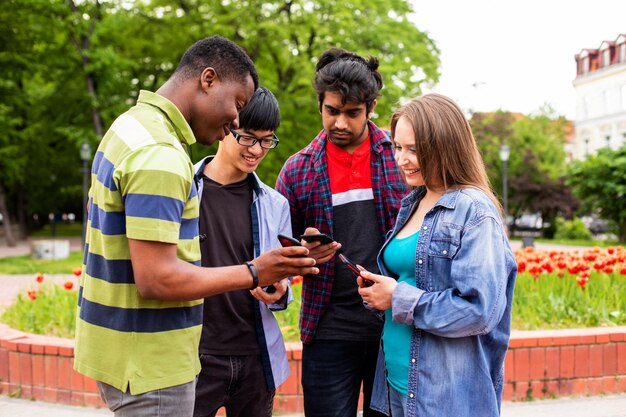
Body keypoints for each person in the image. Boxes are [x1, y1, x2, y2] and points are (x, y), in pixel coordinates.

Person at [74, 36, 318, 417]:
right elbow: (156, 278)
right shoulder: (161, 156)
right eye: (237, 105)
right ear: (208, 79)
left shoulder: (130, 127)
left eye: (265, 142)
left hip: (127, 356)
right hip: (152, 365)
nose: (236, 121)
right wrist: (255, 271)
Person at [356, 93, 517, 417]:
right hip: (394, 386)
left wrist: (398, 297)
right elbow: (414, 279)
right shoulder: (413, 203)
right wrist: (380, 291)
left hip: (443, 395)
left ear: (444, 145)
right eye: (397, 147)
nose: (402, 159)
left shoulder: (473, 210)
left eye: (414, 149)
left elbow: (480, 311)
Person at [275, 48, 406, 417]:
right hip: (328, 330)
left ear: (372, 106)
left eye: (353, 113)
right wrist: (302, 255)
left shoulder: (401, 160)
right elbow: (278, 252)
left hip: (394, 326)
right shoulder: (297, 170)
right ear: (320, 105)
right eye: (332, 111)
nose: (341, 123)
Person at [192, 86, 291, 417]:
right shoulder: (184, 190)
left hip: (256, 357)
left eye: (267, 140)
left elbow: (281, 285)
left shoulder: (277, 204)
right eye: (248, 137)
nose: (257, 150)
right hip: (195, 355)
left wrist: (280, 289)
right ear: (225, 128)